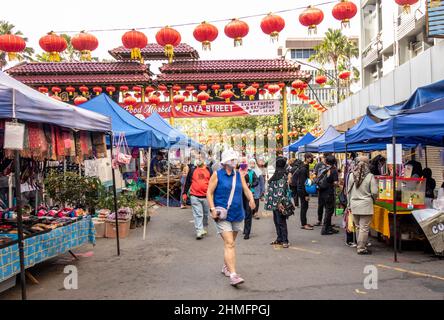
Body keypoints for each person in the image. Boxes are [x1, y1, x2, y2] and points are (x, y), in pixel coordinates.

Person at [207, 150, 255, 286]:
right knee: (230, 243)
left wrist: (251, 199)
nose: (235, 162)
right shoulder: (217, 175)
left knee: (231, 243)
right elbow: (209, 193)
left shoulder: (239, 175)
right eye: (232, 160)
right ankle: (233, 275)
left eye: (235, 159)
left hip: (237, 214)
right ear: (225, 162)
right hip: (222, 214)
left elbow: (245, 189)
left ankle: (225, 266)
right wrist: (212, 209)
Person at [347, 156, 378, 255]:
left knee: (358, 227)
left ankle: (359, 245)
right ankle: (361, 248)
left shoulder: (352, 175)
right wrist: (374, 199)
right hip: (366, 205)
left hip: (354, 204)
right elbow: (374, 192)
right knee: (364, 227)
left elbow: (348, 191)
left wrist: (349, 204)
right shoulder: (370, 176)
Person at [265, 157, 292, 248]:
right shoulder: (281, 175)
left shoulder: (281, 176)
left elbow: (282, 190)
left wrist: (279, 203)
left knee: (280, 221)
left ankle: (285, 240)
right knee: (277, 221)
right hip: (277, 203)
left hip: (279, 203)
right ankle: (280, 239)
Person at [183, 156, 212, 239]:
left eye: (200, 158)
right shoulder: (192, 170)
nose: (199, 160)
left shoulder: (209, 170)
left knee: (206, 214)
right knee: (198, 214)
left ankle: (203, 227)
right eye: (198, 158)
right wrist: (184, 193)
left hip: (206, 196)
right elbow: (188, 182)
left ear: (204, 160)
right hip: (194, 196)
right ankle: (199, 230)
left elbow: (213, 183)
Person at [318, 155, 339, 235]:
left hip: (322, 191)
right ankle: (325, 229)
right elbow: (335, 183)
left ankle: (329, 227)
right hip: (329, 192)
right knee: (329, 211)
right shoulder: (334, 170)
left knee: (327, 210)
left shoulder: (322, 169)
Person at [239, 158, 259, 240]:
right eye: (242, 162)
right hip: (240, 195)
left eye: (244, 162)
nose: (243, 163)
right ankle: (244, 228)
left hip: (249, 194)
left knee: (248, 213)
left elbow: (256, 181)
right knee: (243, 213)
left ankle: (247, 232)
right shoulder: (237, 172)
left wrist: (250, 185)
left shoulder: (251, 172)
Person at [295, 153, 315, 230]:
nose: (311, 159)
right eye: (309, 158)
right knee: (304, 207)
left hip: (301, 189)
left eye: (311, 157)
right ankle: (304, 224)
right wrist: (306, 194)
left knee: (305, 207)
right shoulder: (303, 168)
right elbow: (303, 182)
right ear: (306, 158)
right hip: (302, 190)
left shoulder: (305, 166)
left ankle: (305, 223)